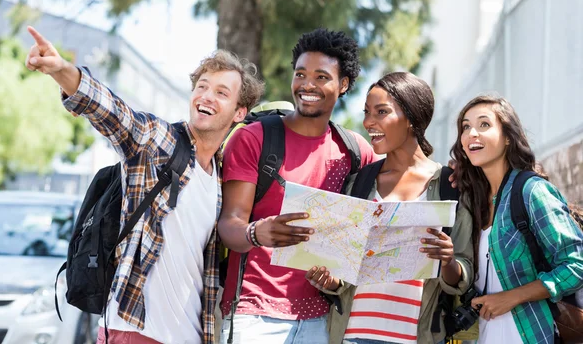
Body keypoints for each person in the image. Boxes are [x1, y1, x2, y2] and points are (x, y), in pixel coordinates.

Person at [24, 26, 265, 344]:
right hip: (135, 330)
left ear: (239, 112)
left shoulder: (220, 178)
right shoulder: (160, 142)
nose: (206, 96)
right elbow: (111, 112)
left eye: (221, 92)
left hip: (191, 336)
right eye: (202, 86)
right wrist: (63, 71)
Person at [217, 28, 377, 343]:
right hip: (254, 314)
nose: (307, 85)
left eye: (321, 77)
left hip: (321, 319)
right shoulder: (256, 138)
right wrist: (256, 231)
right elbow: (228, 223)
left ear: (343, 85)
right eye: (301, 74)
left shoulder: (356, 152)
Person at [310, 72, 474, 344]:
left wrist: (447, 260)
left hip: (414, 337)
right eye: (366, 112)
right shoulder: (359, 183)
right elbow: (344, 265)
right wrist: (330, 281)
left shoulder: (451, 186)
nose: (368, 122)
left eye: (381, 112)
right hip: (352, 334)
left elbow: (462, 273)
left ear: (411, 118)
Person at [450, 95, 583, 343]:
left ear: (508, 137)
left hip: (532, 334)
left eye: (484, 125)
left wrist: (512, 297)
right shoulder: (473, 202)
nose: (472, 134)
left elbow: (577, 265)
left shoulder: (531, 191)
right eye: (466, 127)